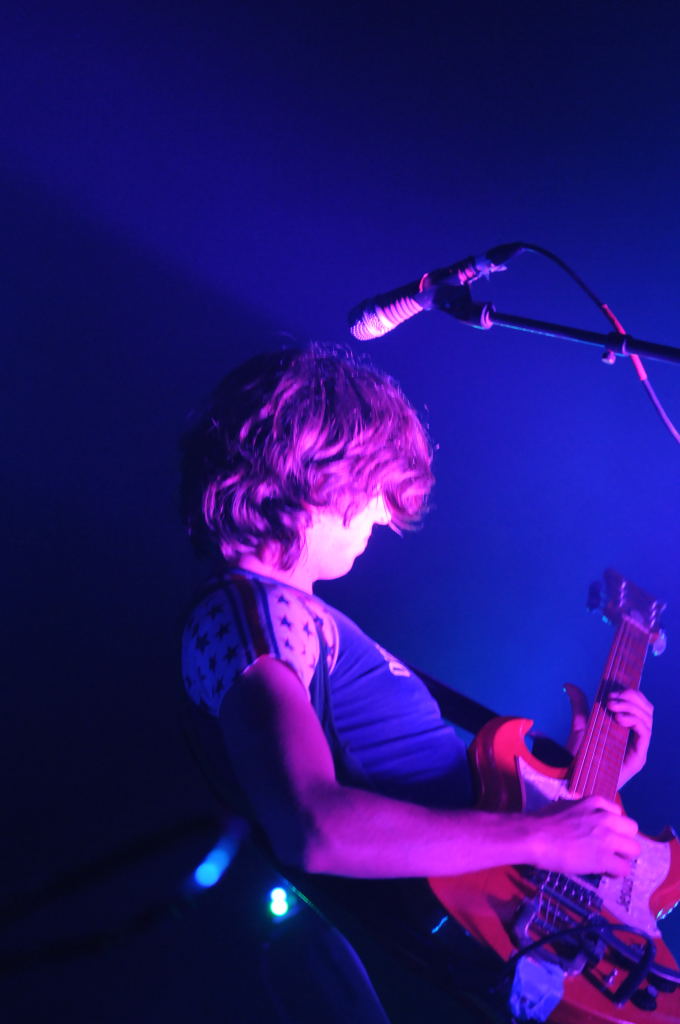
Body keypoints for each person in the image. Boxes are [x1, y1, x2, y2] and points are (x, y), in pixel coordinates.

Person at [179, 344, 653, 1020]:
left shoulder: (298, 618)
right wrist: (543, 838)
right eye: (375, 488)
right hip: (454, 954)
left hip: (502, 919)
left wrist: (589, 788)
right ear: (317, 472)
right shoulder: (249, 608)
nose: (383, 516)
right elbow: (313, 827)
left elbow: (455, 803)